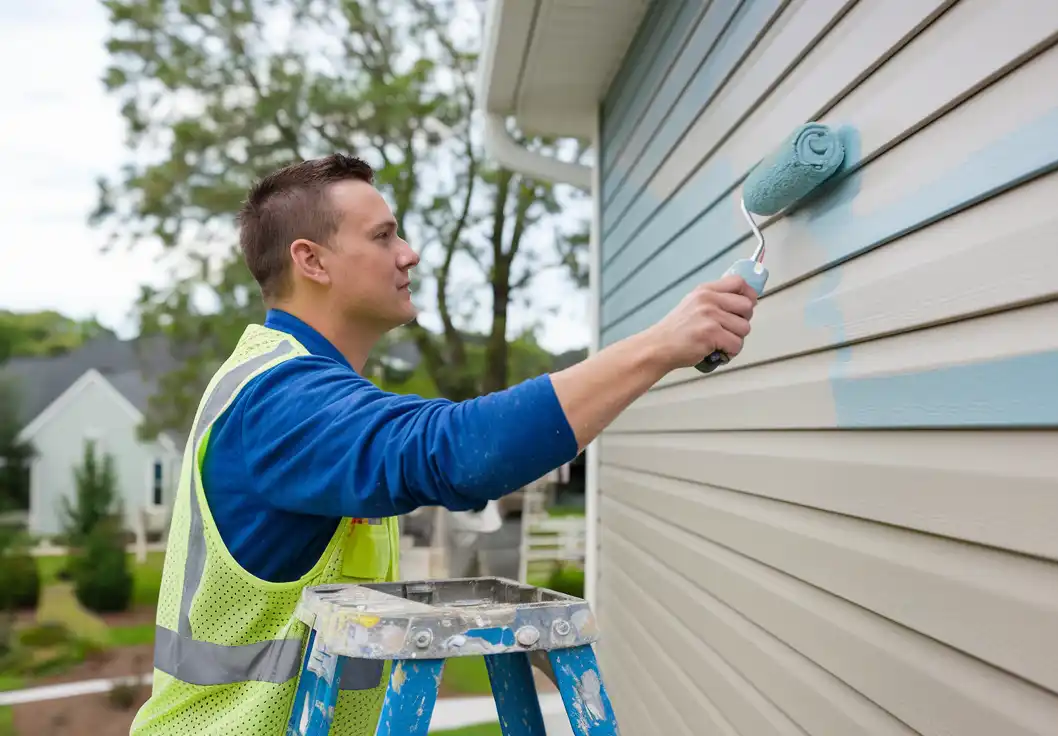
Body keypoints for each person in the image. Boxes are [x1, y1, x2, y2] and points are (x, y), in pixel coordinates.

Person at [129, 153, 756, 735]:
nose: (411, 253)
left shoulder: (298, 389)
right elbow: (454, 453)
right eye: (382, 237)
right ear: (312, 261)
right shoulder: (281, 403)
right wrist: (660, 345)